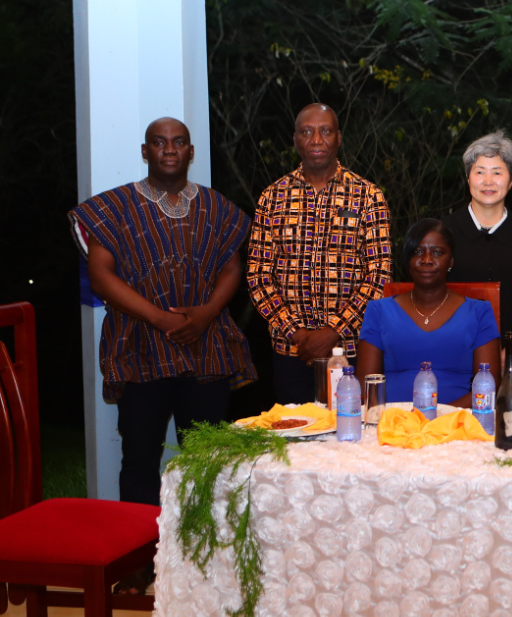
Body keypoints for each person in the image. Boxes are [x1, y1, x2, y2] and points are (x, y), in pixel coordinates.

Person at [70, 118, 256, 595]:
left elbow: (233, 267)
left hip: (206, 347)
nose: (168, 150)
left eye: (177, 143)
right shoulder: (114, 207)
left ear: (191, 152)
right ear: (145, 150)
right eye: (159, 143)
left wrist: (207, 314)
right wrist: (160, 318)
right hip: (140, 349)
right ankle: (137, 565)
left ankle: (204, 560)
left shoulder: (216, 207)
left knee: (206, 460)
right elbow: (101, 273)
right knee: (139, 461)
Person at [246, 103, 392, 405]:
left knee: (353, 437)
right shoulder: (272, 197)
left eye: (325, 131)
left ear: (338, 138)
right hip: (292, 351)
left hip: (352, 348)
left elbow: (379, 275)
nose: (316, 140)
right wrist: (295, 332)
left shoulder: (368, 196)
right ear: (296, 139)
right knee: (295, 439)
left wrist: (333, 330)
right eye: (307, 132)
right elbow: (258, 275)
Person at [357, 219, 501, 404]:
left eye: (437, 252)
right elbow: (366, 387)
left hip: (457, 424)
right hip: (392, 424)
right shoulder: (378, 311)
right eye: (417, 252)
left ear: (451, 261)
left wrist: (439, 420)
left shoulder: (479, 312)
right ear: (408, 259)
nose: (426, 260)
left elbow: (489, 387)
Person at [442, 131, 512, 337]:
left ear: (511, 180)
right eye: (479, 172)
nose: (488, 181)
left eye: (497, 172)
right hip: (452, 349)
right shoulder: (444, 231)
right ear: (468, 178)